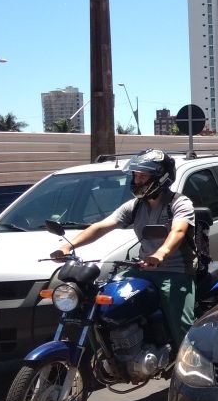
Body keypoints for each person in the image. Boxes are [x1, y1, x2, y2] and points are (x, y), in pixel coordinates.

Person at [50, 149, 196, 349]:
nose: (137, 181)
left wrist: (160, 253)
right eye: (135, 175)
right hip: (143, 268)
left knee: (183, 330)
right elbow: (102, 226)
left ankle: (189, 367)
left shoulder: (179, 203)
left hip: (174, 271)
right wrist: (69, 245)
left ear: (161, 178)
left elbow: (178, 232)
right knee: (104, 301)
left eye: (143, 176)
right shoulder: (135, 206)